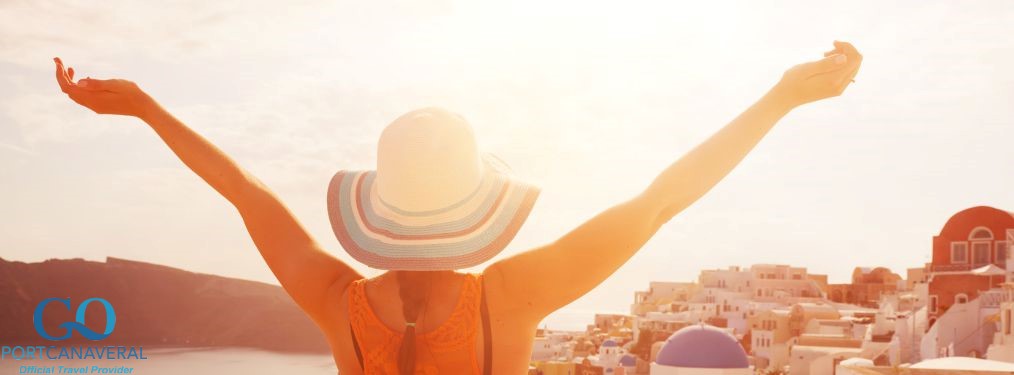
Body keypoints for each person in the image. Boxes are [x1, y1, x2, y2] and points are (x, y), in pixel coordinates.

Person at [53, 41, 862, 375]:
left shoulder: (338, 304)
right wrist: (780, 98)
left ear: (379, 208)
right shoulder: (506, 298)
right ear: (475, 206)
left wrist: (147, 108)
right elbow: (659, 202)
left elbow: (243, 192)